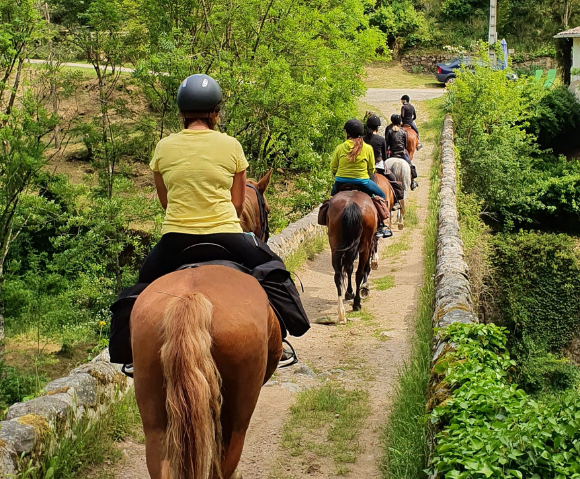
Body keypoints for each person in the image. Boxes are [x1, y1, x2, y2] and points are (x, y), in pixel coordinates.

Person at [108, 73, 309, 375]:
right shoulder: (231, 146)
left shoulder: (164, 147)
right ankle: (283, 337)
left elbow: (165, 202)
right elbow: (238, 204)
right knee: (275, 271)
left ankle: (131, 354)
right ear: (216, 112)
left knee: (141, 286)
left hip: (175, 239)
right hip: (228, 236)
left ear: (181, 114)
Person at [331, 119, 392, 238]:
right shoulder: (367, 148)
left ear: (347, 133)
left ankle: (330, 223)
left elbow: (333, 167)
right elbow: (371, 169)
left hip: (340, 181)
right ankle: (380, 226)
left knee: (331, 200)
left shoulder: (339, 147)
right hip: (362, 182)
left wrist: (339, 176)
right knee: (382, 196)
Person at [386, 113, 418, 189]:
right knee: (410, 165)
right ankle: (413, 182)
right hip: (401, 153)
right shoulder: (403, 132)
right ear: (400, 122)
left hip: (392, 153)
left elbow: (387, 143)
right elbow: (405, 145)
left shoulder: (389, 131)